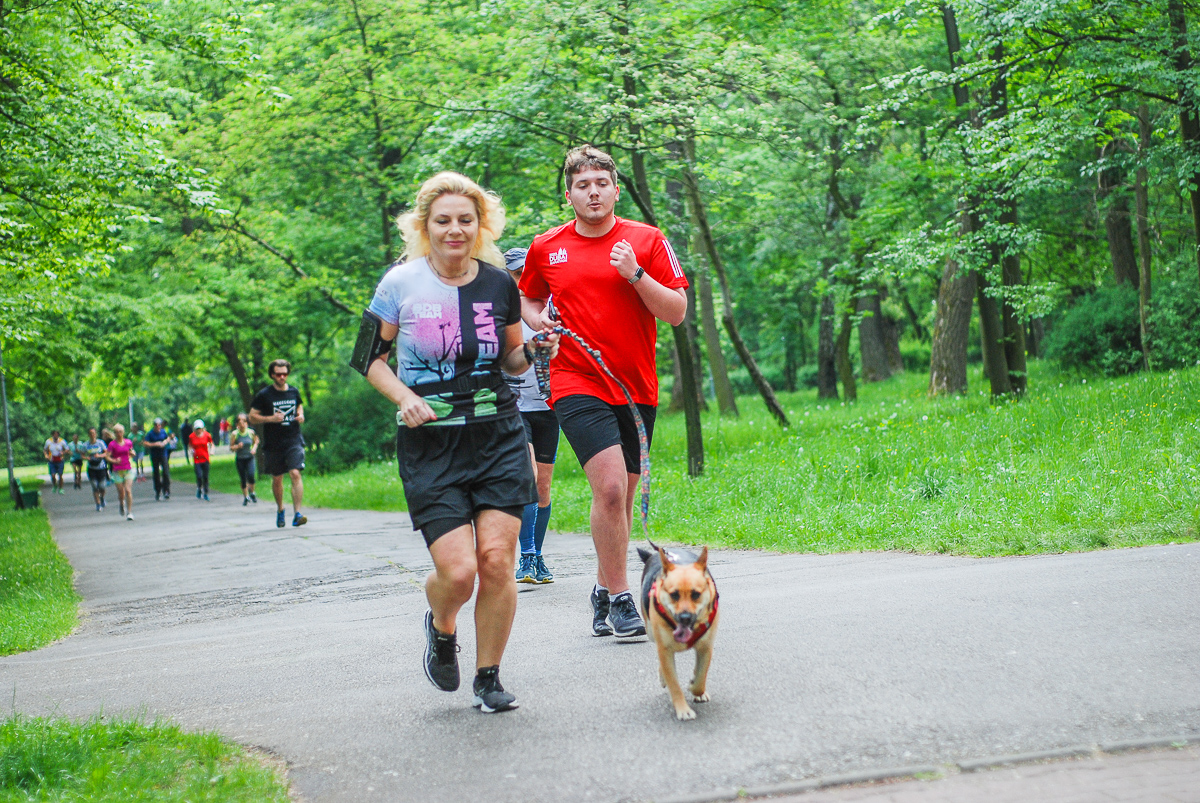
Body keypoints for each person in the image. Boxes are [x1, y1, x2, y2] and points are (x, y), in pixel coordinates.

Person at [358, 171, 559, 714]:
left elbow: (512, 359)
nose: (454, 230)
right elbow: (368, 360)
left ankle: (488, 676)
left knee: (496, 560)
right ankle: (441, 625)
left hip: (497, 434)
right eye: (443, 221)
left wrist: (538, 350)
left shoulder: (499, 284)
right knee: (459, 571)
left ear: (480, 225)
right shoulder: (399, 284)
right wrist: (404, 396)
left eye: (465, 220)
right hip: (431, 443)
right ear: (425, 226)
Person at [519, 145, 688, 640]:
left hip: (635, 387)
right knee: (610, 487)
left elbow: (676, 312)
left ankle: (600, 588)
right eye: (581, 185)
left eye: (601, 183)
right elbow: (528, 296)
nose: (592, 193)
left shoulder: (647, 240)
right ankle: (619, 600)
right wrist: (538, 321)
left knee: (622, 498)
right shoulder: (547, 246)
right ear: (568, 193)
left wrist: (634, 273)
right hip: (576, 380)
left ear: (615, 189)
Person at [503, 248, 559, 585]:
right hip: (514, 407)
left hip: (548, 405)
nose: (521, 277)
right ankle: (525, 558)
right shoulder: (501, 311)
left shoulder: (550, 307)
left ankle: (537, 556)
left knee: (543, 486)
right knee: (528, 475)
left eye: (526, 270)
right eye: (515, 272)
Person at [249, 360, 307, 527]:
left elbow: (299, 406)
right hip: (274, 443)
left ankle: (297, 514)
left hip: (293, 439)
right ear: (272, 375)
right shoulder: (265, 395)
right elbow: (252, 416)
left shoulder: (294, 391)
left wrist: (300, 415)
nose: (282, 377)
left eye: (285, 374)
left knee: (295, 473)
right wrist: (270, 419)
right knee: (277, 478)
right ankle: (281, 509)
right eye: (278, 374)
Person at [102, 424, 136, 520]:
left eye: (120, 432)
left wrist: (133, 454)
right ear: (114, 433)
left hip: (128, 469)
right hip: (117, 470)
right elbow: (107, 456)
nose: (118, 434)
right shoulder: (112, 444)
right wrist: (114, 461)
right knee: (121, 492)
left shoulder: (128, 442)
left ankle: (129, 512)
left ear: (123, 432)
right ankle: (121, 503)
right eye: (116, 432)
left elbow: (132, 452)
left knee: (128, 490)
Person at [230, 413, 259, 505]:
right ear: (237, 423)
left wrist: (254, 449)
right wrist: (237, 446)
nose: (242, 423)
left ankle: (252, 492)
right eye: (240, 421)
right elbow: (231, 447)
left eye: (244, 421)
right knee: (243, 478)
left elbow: (256, 441)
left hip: (250, 457)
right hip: (240, 458)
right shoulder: (235, 434)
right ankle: (246, 497)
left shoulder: (251, 432)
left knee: (251, 475)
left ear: (247, 422)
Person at [143, 418, 175, 500]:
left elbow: (168, 438)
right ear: (154, 425)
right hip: (154, 455)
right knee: (156, 473)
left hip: (163, 454)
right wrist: (155, 444)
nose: (158, 426)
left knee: (166, 472)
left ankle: (166, 490)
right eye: (156, 425)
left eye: (159, 425)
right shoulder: (150, 433)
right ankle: (158, 491)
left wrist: (165, 442)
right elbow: (145, 443)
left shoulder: (163, 432)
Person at [82, 428, 108, 510]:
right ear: (88, 435)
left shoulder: (100, 443)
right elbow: (82, 455)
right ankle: (98, 504)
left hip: (101, 467)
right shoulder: (85, 445)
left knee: (102, 486)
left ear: (96, 434)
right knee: (95, 486)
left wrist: (99, 456)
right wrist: (87, 458)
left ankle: (102, 498)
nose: (92, 435)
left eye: (93, 433)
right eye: (90, 433)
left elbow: (106, 453)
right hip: (91, 468)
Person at [189, 419, 214, 501]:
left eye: (200, 428)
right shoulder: (191, 436)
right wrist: (191, 451)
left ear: (202, 428)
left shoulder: (207, 435)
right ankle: (199, 488)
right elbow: (190, 446)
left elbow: (211, 444)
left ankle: (206, 493)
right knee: (199, 476)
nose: (198, 430)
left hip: (205, 458)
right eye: (197, 429)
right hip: (197, 459)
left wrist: (211, 450)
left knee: (205, 477)